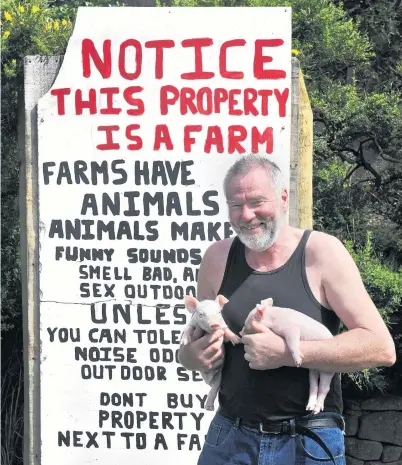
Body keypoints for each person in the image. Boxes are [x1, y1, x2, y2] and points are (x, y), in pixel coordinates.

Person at [178, 154, 396, 465]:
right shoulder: (216, 259)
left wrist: (287, 354)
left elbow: (380, 347)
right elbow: (192, 347)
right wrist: (190, 357)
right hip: (230, 438)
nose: (246, 215)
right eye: (235, 205)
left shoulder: (321, 252)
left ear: (283, 198)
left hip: (307, 441)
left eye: (256, 201)